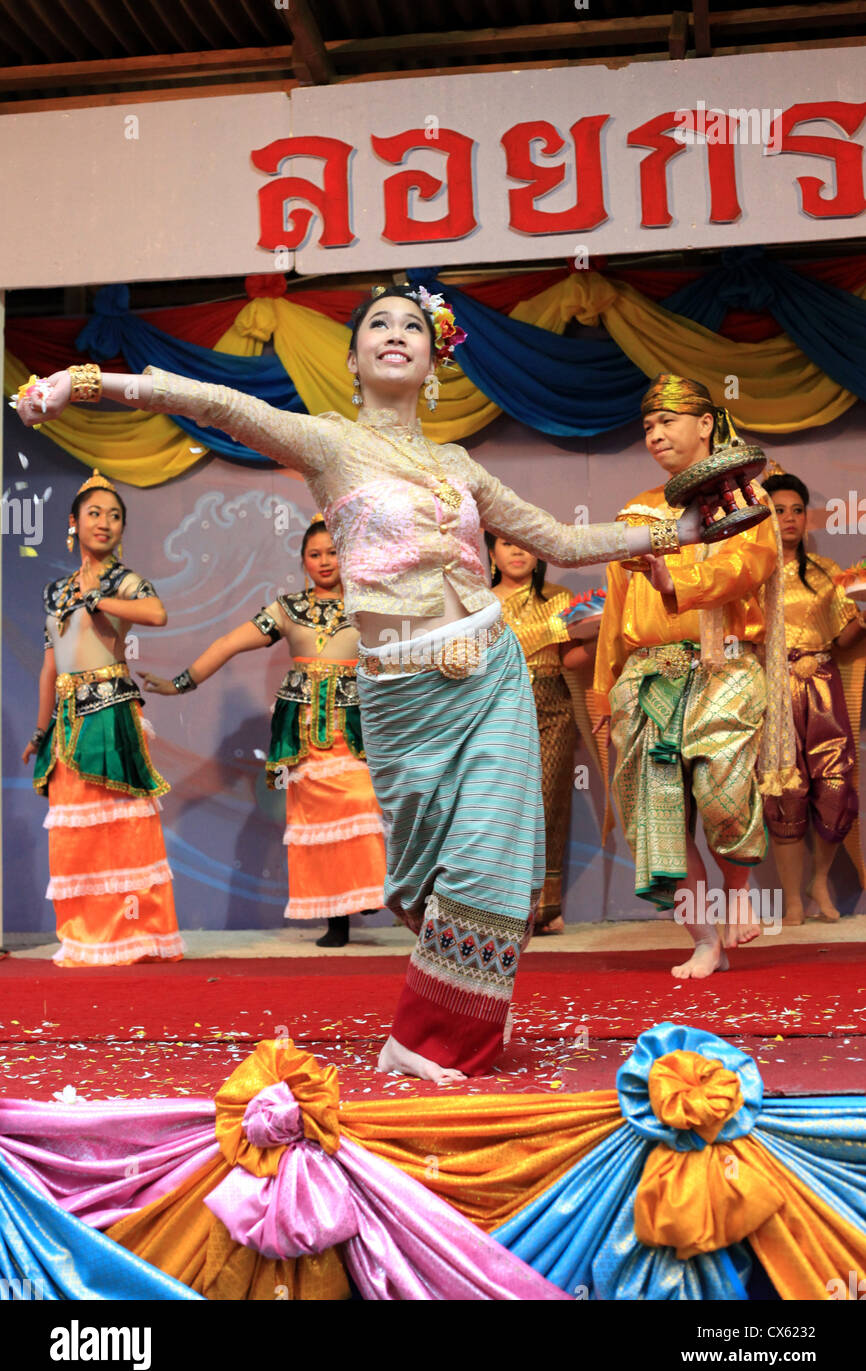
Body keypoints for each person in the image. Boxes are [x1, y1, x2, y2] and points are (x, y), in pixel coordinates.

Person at [16, 300, 706, 1079]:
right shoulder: (329, 442)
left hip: (490, 673)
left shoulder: (459, 466)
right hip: (402, 697)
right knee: (423, 882)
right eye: (377, 325)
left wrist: (675, 532)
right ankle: (457, 1001)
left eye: (412, 327)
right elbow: (210, 401)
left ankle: (428, 1039)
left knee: (490, 867)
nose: (395, 335)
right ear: (351, 361)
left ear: (434, 361)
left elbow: (566, 541)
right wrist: (84, 382)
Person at [592, 373, 797, 980]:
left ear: (706, 424)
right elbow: (612, 612)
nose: (654, 434)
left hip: (724, 667)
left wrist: (676, 581)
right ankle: (705, 939)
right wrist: (604, 691)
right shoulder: (638, 512)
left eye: (667, 422)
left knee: (723, 798)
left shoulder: (745, 501)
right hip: (648, 678)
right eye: (648, 426)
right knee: (658, 822)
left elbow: (747, 566)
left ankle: (739, 892)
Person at [139, 517, 386, 948]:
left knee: (361, 801)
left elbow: (403, 658)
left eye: (333, 552)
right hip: (304, 731)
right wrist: (181, 682)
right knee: (314, 821)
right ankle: (336, 919)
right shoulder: (287, 609)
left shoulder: (370, 607)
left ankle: (366, 890)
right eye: (315, 554)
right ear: (303, 561)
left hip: (353, 727)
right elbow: (228, 643)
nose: (325, 561)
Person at [21, 470, 184, 967]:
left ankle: (133, 935)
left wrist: (99, 600)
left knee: (121, 827)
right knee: (76, 834)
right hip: (68, 720)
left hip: (111, 712)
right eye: (95, 513)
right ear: (73, 522)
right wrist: (40, 728)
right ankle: (87, 936)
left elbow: (157, 614)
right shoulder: (54, 591)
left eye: (115, 516)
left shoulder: (125, 581)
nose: (105, 523)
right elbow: (52, 665)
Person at [763, 472, 866, 924]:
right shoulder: (750, 573)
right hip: (771, 689)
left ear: (807, 518)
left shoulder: (827, 575)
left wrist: (863, 619)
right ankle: (790, 900)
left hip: (822, 684)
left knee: (837, 785)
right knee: (785, 791)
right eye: (778, 510)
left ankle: (819, 880)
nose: (789, 518)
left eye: (797, 510)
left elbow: (843, 640)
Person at [485, 533, 592, 935]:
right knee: (502, 809)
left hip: (552, 706)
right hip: (497, 708)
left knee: (547, 804)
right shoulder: (479, 604)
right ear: (492, 553)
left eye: (525, 544)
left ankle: (545, 908)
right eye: (506, 544)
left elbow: (571, 659)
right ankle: (503, 908)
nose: (517, 551)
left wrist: (599, 638)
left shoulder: (561, 600)